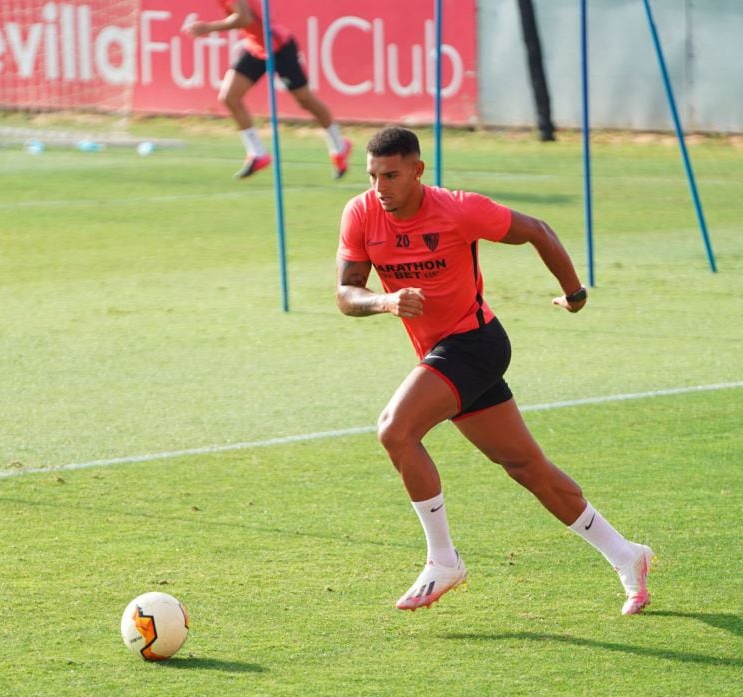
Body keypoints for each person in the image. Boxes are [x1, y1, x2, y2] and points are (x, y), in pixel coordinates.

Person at [334, 127, 653, 615]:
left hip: (476, 344)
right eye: (374, 176)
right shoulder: (360, 213)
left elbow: (538, 231)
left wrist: (575, 293)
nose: (381, 188)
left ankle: (443, 559)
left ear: (418, 171)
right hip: (443, 353)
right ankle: (627, 555)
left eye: (392, 175)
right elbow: (346, 293)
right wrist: (386, 300)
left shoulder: (460, 208)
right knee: (528, 469)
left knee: (395, 430)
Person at [185, 0, 352, 180]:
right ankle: (257, 154)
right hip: (257, 47)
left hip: (278, 45)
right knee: (229, 96)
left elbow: (244, 18)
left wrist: (208, 28)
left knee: (305, 100)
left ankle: (339, 144)